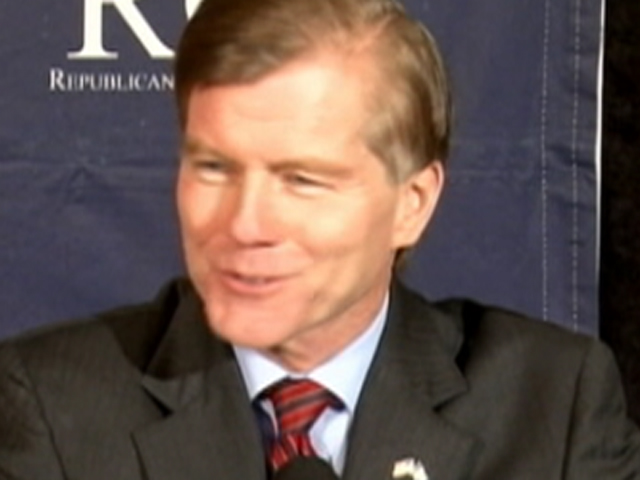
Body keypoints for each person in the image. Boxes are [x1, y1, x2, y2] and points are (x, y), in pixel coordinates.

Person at [1, 0, 639, 478]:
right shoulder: (54, 406)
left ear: (412, 204)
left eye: (302, 180)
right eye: (214, 168)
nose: (244, 224)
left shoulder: (554, 406)